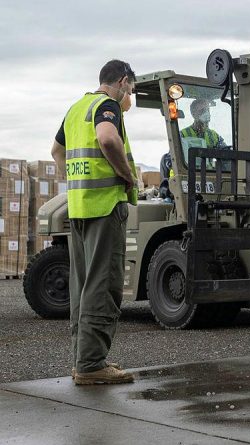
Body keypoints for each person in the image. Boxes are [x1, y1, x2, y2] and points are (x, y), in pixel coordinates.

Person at [51, 59, 138, 385]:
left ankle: (85, 359)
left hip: (79, 208)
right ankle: (91, 366)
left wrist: (75, 183)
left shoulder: (76, 108)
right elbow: (108, 139)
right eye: (130, 88)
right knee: (104, 284)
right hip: (105, 209)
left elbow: (56, 151)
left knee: (83, 285)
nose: (129, 94)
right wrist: (125, 175)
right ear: (123, 81)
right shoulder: (107, 105)